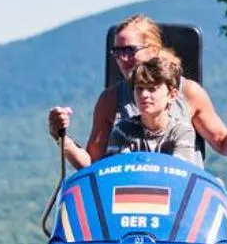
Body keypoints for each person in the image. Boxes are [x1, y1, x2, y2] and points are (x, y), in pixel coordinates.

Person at [46, 13, 227, 166]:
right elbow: (93, 163)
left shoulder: (189, 92)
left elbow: (222, 143)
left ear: (153, 50)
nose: (123, 59)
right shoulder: (110, 99)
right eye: (117, 52)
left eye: (130, 50)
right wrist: (62, 137)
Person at [59, 47, 196, 168]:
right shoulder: (123, 131)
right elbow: (117, 173)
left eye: (152, 89)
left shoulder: (182, 132)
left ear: (172, 95)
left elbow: (180, 175)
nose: (144, 95)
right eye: (139, 89)